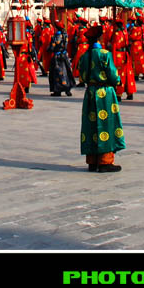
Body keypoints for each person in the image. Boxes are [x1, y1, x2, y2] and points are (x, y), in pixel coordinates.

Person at [78, 25, 125, 173]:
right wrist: (117, 80)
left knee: (91, 125)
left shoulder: (84, 56)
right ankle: (105, 161)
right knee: (106, 124)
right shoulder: (105, 54)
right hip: (104, 93)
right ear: (100, 38)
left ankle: (92, 161)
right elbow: (112, 75)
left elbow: (82, 75)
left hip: (90, 93)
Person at [46, 20, 75, 96]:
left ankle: (57, 90)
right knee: (67, 71)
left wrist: (48, 49)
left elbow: (53, 46)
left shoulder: (57, 36)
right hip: (64, 55)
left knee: (57, 73)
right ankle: (68, 89)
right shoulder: (65, 34)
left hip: (57, 56)